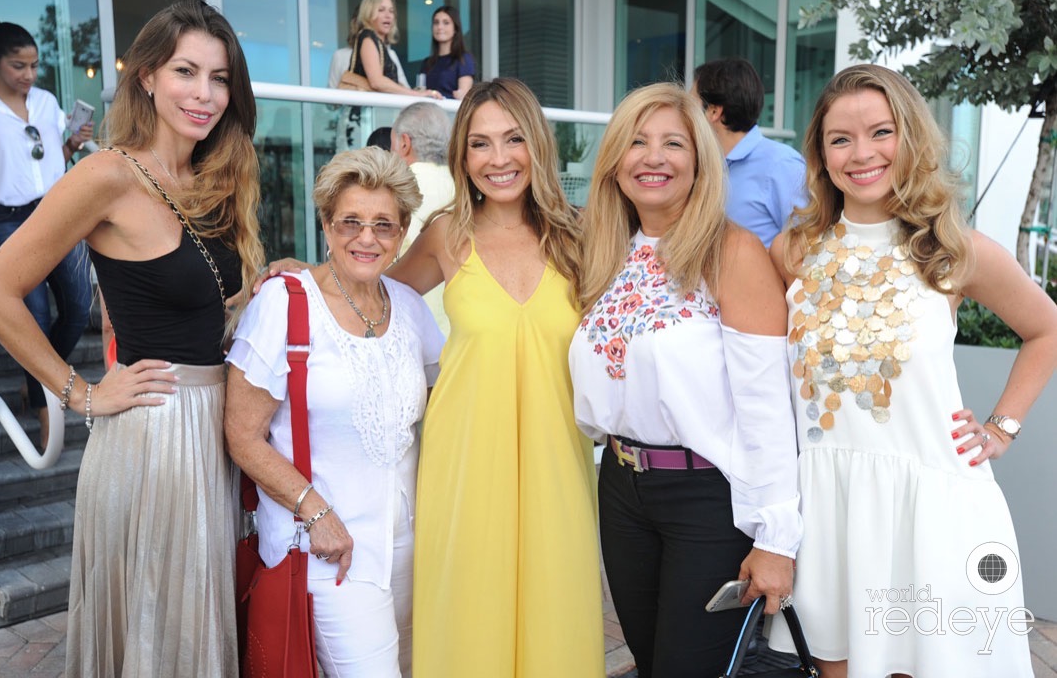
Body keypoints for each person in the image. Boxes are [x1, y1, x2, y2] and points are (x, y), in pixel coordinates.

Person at [0, 0, 264, 676]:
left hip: (214, 430)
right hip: (151, 436)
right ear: (147, 76)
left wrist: (269, 284)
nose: (204, 94)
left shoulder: (214, 178)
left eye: (220, 78)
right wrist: (80, 393)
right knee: (157, 634)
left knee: (196, 628)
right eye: (186, 72)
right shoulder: (108, 174)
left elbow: (204, 305)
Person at [768, 64, 1057, 677]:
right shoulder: (795, 250)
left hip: (931, 508)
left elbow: (1046, 328)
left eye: (881, 131)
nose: (862, 153)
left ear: (912, 139)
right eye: (840, 138)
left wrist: (1002, 427)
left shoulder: (953, 249)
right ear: (820, 152)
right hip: (828, 509)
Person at [569, 82, 801, 676]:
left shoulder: (732, 252)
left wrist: (777, 538)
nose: (653, 157)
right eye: (637, 142)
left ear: (700, 160)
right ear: (615, 160)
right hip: (620, 487)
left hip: (707, 499)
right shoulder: (604, 250)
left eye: (673, 143)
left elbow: (768, 407)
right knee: (651, 662)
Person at [389, 78, 605, 676]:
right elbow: (371, 303)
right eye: (480, 144)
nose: (499, 158)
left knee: (556, 604)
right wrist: (299, 279)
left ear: (538, 144)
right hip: (464, 457)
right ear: (462, 155)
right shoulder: (445, 233)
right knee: (469, 606)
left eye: (513, 139)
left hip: (557, 455)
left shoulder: (581, 237)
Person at [226, 147, 443, 678]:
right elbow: (242, 435)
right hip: (328, 550)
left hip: (412, 547)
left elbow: (442, 406)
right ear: (325, 222)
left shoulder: (410, 307)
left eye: (383, 226)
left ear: (403, 232)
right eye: (350, 221)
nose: (366, 238)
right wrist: (316, 512)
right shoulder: (284, 302)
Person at [0, 21, 94, 445]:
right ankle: (42, 402)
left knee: (78, 305)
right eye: (19, 65)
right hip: (10, 220)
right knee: (32, 319)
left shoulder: (45, 101)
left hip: (57, 214)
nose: (29, 74)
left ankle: (36, 378)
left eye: (34, 65)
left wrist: (74, 143)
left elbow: (52, 153)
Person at [693, 57, 806, 248]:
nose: (684, 116)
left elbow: (805, 248)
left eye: (691, 106)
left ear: (713, 111)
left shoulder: (782, 164)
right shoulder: (703, 165)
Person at [390, 101, 454, 334]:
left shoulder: (395, 193)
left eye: (391, 147)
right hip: (462, 340)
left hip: (412, 333)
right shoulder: (470, 191)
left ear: (404, 143)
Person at [327, 0, 441, 101]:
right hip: (363, 116)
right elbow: (377, 82)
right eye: (381, 10)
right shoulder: (367, 37)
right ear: (369, 13)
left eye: (391, 11)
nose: (388, 15)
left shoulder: (379, 44)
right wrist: (416, 94)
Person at [420, 6, 475, 100]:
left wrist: (461, 94)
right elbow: (421, 91)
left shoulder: (463, 58)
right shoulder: (427, 63)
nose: (440, 27)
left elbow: (464, 94)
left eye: (446, 23)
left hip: (451, 112)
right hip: (428, 112)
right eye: (436, 22)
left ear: (455, 29)